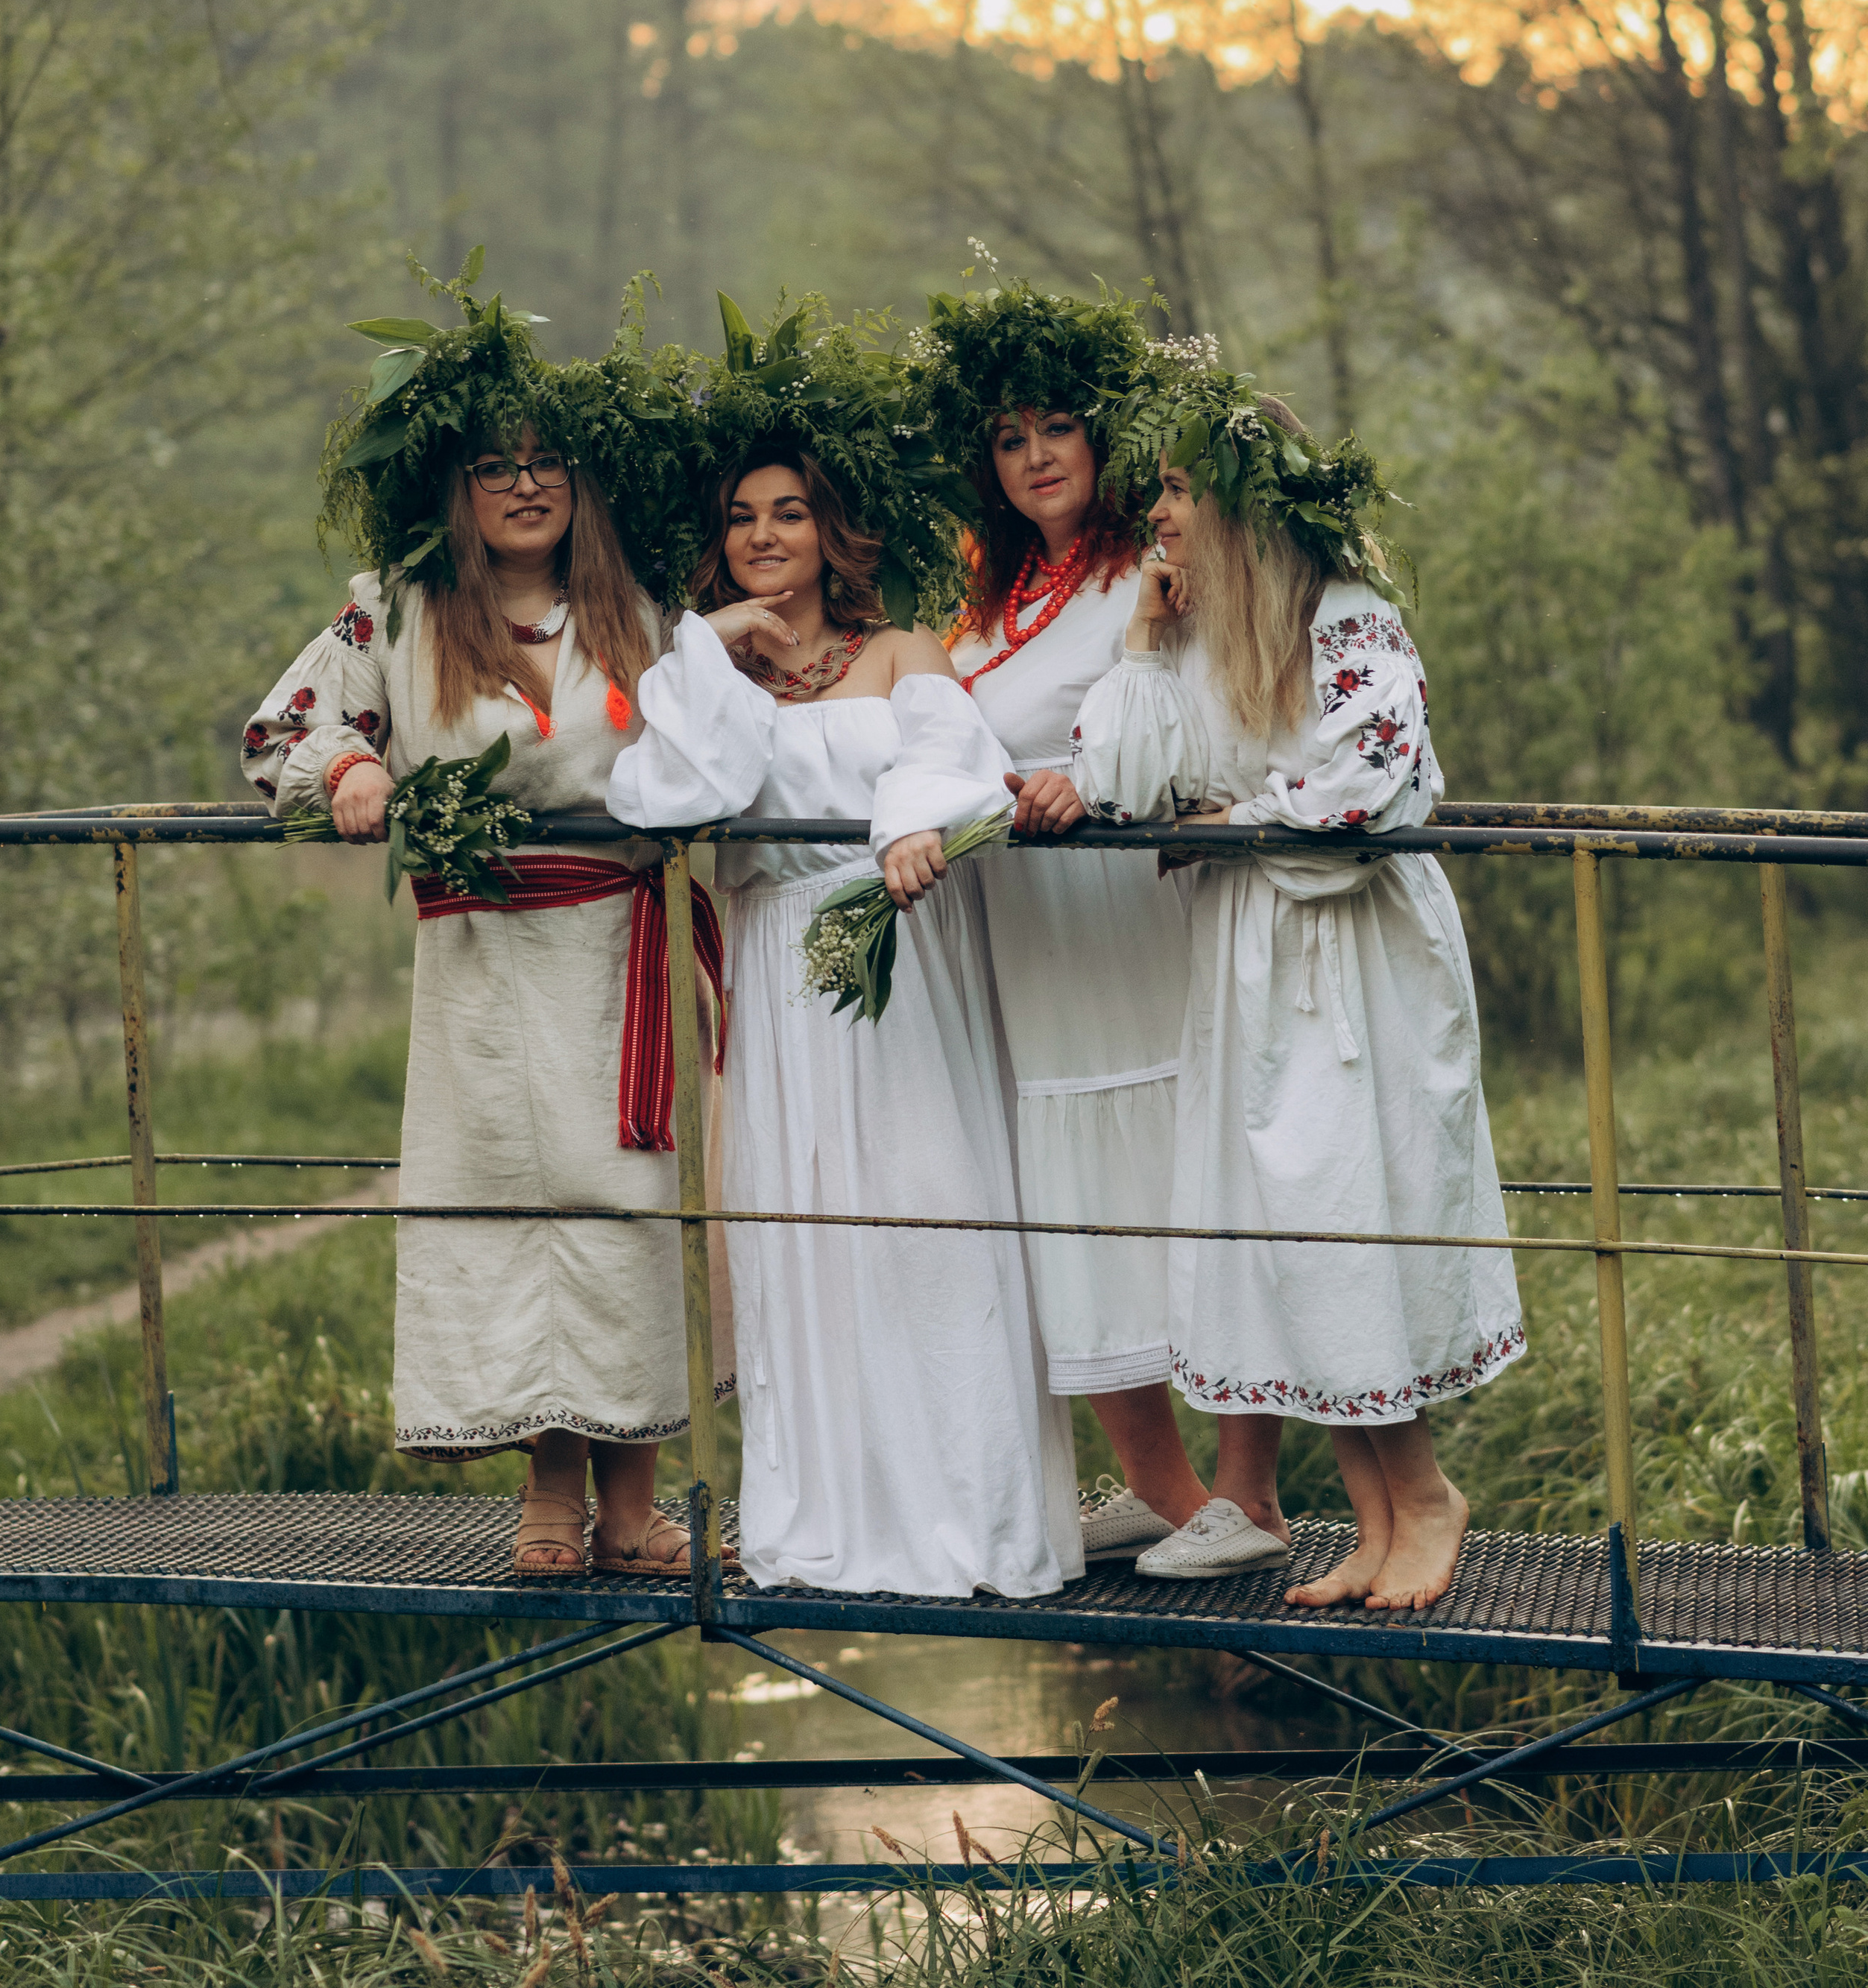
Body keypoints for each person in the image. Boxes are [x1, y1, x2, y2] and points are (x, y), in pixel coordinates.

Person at [242, 289, 722, 1582]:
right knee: (509, 1204)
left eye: (545, 464)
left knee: (620, 1211)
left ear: (581, 485)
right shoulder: (398, 612)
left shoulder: (647, 618)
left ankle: (633, 1499)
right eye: (497, 468)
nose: (524, 486)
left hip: (617, 951)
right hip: (479, 961)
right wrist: (349, 766)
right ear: (457, 489)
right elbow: (281, 730)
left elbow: (742, 744)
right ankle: (549, 1496)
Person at [1071, 388, 1524, 1609]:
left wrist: (1233, 824)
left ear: (1237, 499)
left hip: (1352, 970)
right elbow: (1119, 782)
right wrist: (1144, 645)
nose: (1154, 513)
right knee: (1287, 1243)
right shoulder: (1207, 638)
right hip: (1250, 970)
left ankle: (1426, 1498)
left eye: (1174, 488)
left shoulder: (1350, 620)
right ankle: (1374, 1522)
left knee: (1344, 1219)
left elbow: (1361, 804)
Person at [610, 437, 1082, 1601]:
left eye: (789, 514)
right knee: (804, 1230)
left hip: (895, 938)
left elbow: (951, 756)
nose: (763, 536)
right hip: (777, 961)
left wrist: (907, 827)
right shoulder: (709, 679)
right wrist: (713, 643)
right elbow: (667, 787)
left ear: (832, 532)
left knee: (930, 1211)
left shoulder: (900, 650)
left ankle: (970, 1517)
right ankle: (824, 1520)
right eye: (740, 518)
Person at [927, 284, 1209, 1567]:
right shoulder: (987, 602)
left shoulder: (1156, 573)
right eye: (1008, 439)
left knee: (1186, 1178)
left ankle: (1246, 1497)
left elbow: (1196, 715)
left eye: (1056, 428)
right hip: (1024, 931)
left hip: (1129, 917)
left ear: (1100, 440)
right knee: (1070, 1198)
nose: (1036, 455)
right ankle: (1166, 1492)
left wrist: (1093, 776)